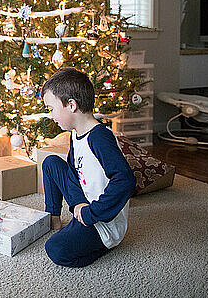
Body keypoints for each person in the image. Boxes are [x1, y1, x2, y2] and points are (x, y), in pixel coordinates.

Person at [40, 67, 136, 268]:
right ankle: (54, 220)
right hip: (85, 201)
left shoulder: (100, 138)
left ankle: (105, 245)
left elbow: (125, 181)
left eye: (51, 109)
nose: (50, 116)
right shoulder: (76, 133)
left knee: (55, 249)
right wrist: (77, 205)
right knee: (51, 163)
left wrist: (90, 213)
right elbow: (74, 172)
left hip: (102, 221)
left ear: (71, 105)